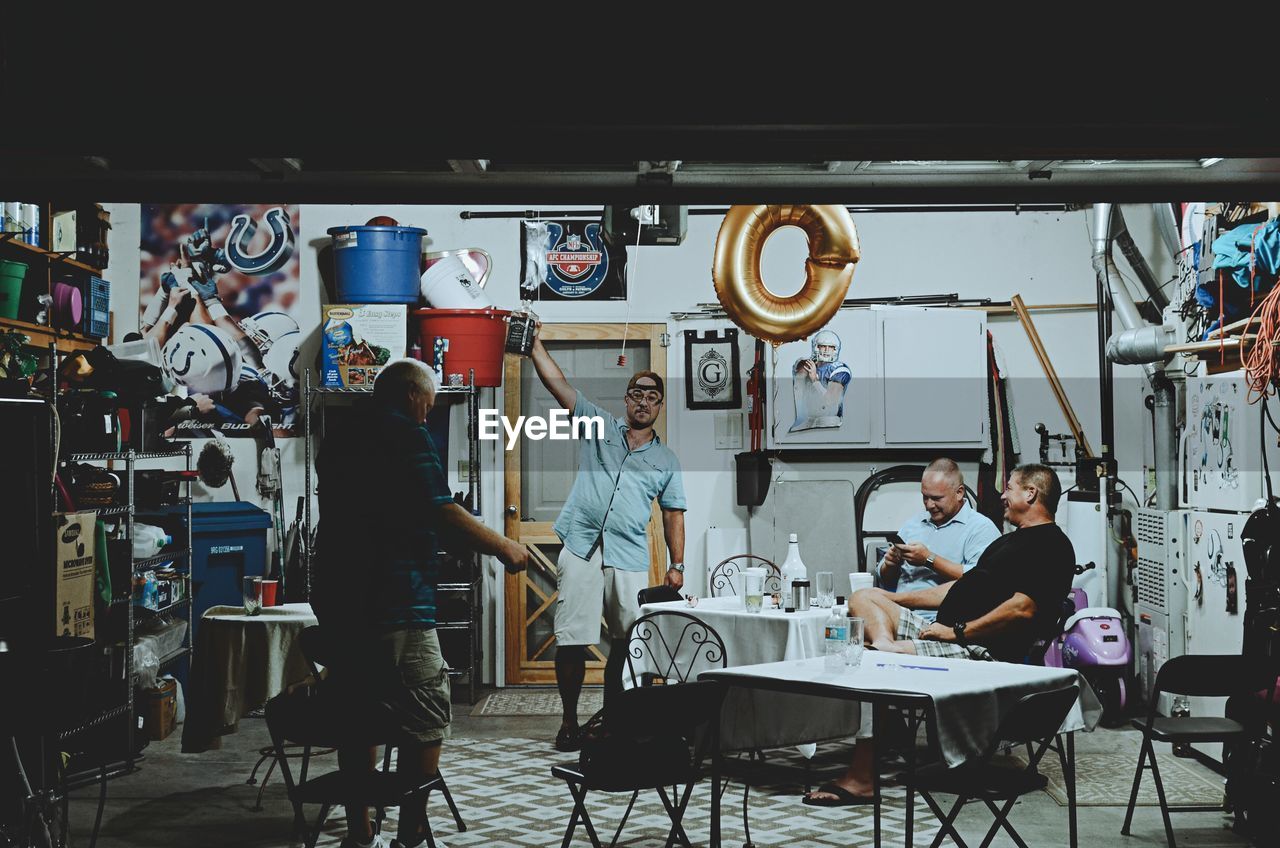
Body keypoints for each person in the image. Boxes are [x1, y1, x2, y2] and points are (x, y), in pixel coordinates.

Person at [314, 359, 530, 848]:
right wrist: (504, 547)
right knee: (427, 714)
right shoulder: (407, 434)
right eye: (429, 405)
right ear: (414, 395)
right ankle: (410, 831)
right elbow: (441, 509)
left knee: (360, 714)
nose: (428, 413)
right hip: (396, 598)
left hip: (341, 601)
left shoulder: (342, 436)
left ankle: (359, 830)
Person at [804, 463, 1074, 806]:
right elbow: (960, 588)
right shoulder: (1010, 543)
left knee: (871, 662)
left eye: (1009, 488)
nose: (1002, 495)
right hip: (946, 633)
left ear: (1031, 494)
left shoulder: (1051, 546)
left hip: (977, 649)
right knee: (863, 597)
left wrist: (957, 632)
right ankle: (887, 649)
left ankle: (862, 777)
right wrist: (894, 599)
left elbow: (1022, 609)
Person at [529, 328, 687, 752]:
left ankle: (616, 721)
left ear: (659, 405)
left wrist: (678, 565)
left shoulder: (666, 460)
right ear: (627, 398)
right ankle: (568, 723)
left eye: (653, 395)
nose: (644, 401)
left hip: (629, 553)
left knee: (626, 639)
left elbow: (674, 514)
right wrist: (534, 346)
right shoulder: (599, 425)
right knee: (572, 637)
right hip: (582, 545)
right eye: (637, 392)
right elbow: (558, 386)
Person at [877, 458, 1001, 621]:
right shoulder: (913, 523)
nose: (929, 505)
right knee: (855, 604)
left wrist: (928, 559)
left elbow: (981, 583)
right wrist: (890, 564)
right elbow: (885, 579)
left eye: (936, 498)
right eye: (925, 497)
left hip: (939, 618)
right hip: (897, 611)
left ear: (959, 493)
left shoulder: (980, 528)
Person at [790, 328, 851, 432]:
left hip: (828, 419)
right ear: (816, 347)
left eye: (831, 347)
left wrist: (814, 380)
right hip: (808, 419)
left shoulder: (839, 369)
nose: (827, 350)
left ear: (835, 349)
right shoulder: (808, 364)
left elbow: (831, 401)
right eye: (823, 346)